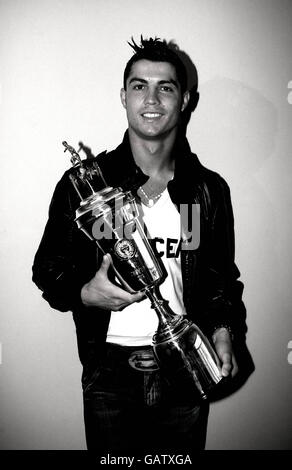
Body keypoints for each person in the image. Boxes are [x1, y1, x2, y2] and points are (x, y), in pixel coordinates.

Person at [32, 37, 247, 455]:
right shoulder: (87, 187)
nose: (151, 98)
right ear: (123, 96)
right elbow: (47, 270)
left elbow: (220, 280)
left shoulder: (204, 189)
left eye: (165, 87)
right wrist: (85, 293)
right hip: (109, 370)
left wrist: (224, 332)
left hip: (186, 362)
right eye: (138, 85)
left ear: (184, 100)